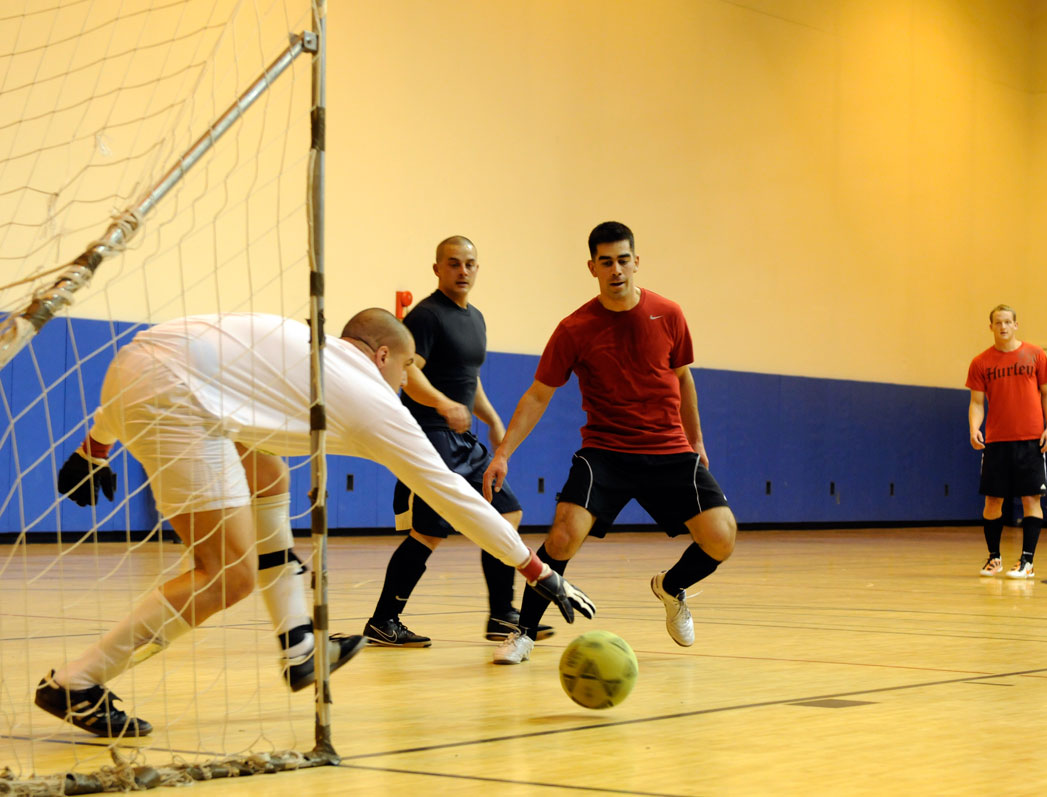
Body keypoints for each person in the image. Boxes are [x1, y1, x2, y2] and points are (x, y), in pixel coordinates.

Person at [42, 309, 595, 737]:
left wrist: (96, 446)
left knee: (269, 476)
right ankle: (79, 681)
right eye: (406, 369)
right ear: (382, 355)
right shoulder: (370, 396)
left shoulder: (309, 348)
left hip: (139, 366)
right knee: (227, 576)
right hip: (176, 398)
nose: (406, 381)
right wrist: (534, 566)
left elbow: (169, 354)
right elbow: (453, 495)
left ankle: (300, 646)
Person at [481, 221, 737, 665]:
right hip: (606, 452)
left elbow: (683, 378)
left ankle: (671, 586)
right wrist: (503, 452)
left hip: (670, 449)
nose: (616, 269)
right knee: (561, 537)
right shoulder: (575, 328)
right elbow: (539, 393)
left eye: (623, 259)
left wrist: (696, 439)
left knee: (722, 537)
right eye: (606, 262)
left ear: (636, 261)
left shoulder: (668, 313)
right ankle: (523, 634)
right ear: (592, 267)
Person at [362, 236, 552, 647]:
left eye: (469, 264)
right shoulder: (426, 317)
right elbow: (409, 375)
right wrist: (444, 404)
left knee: (507, 514)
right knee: (428, 533)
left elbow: (470, 379)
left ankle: (502, 615)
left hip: (464, 441)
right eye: (453, 264)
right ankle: (383, 620)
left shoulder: (476, 318)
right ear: (437, 269)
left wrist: (493, 419)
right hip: (432, 439)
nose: (462, 271)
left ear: (477, 269)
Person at [966, 304, 1047, 580]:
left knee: (1031, 499)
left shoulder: (1035, 354)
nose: (1003, 327)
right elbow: (977, 402)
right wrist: (974, 428)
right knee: (993, 501)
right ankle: (994, 558)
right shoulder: (981, 362)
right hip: (996, 441)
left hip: (1030, 440)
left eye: (1007, 322)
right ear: (990, 327)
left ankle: (1027, 561)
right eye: (997, 322)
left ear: (1016, 325)